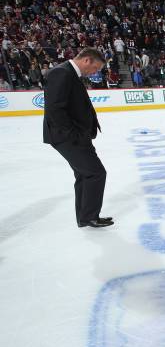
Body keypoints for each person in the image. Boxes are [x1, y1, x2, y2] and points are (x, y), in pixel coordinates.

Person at [43, 48, 113, 228]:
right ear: (87, 60)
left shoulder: (70, 74)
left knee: (84, 174)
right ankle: (89, 216)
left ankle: (85, 217)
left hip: (74, 136)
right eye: (96, 68)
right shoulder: (61, 73)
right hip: (68, 137)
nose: (95, 72)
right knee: (95, 173)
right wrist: (74, 135)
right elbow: (55, 109)